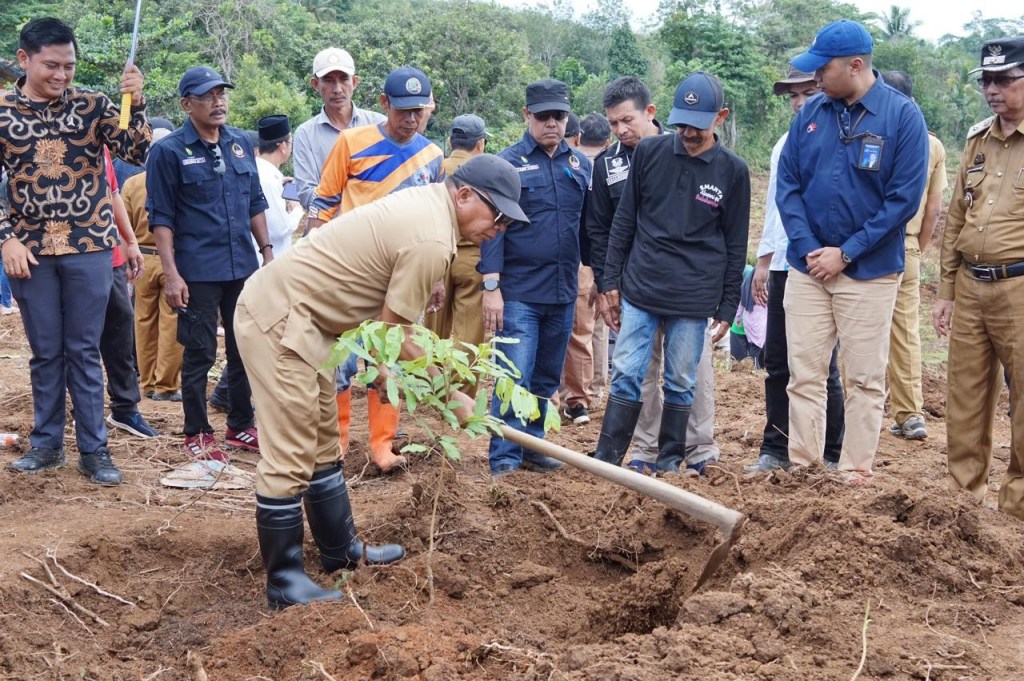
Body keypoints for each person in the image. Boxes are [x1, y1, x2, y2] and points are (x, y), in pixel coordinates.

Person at [235, 154, 522, 608]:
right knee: (291, 451)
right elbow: (394, 335)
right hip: (280, 318)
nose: (500, 227)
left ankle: (339, 553)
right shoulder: (431, 236)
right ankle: (284, 583)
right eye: (498, 214)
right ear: (464, 195)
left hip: (313, 324)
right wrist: (454, 397)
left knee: (324, 442)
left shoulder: (432, 212)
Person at [777, 20, 928, 483]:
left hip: (869, 272)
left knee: (864, 379)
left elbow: (901, 202)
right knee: (804, 375)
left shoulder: (902, 118)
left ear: (856, 65)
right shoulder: (810, 114)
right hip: (809, 271)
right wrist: (808, 250)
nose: (815, 78)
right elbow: (788, 187)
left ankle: (855, 473)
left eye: (823, 69)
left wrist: (845, 253)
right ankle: (805, 469)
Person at [2, 17, 150, 485]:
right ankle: (46, 445)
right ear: (24, 59)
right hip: (30, 250)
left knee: (84, 350)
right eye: (52, 65)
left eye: (69, 65)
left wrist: (136, 102)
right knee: (46, 352)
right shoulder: (2, 112)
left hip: (89, 244)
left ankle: (94, 450)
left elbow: (137, 151)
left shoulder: (94, 105)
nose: (62, 75)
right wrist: (5, 237)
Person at [594, 71, 749, 474]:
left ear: (720, 118)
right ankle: (611, 457)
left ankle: (668, 459)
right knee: (627, 371)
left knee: (681, 379)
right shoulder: (650, 154)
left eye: (697, 126)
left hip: (694, 295)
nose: (687, 133)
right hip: (642, 287)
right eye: (681, 124)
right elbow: (623, 222)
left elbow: (735, 243)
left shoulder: (733, 171)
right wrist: (610, 282)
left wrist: (728, 304)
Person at [306, 66, 445, 473]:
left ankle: (383, 446)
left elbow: (434, 225)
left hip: (403, 278)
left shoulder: (433, 157)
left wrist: (435, 277)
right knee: (341, 361)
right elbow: (324, 203)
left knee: (393, 360)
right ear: (384, 104)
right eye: (403, 110)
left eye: (420, 110)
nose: (411, 119)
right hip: (351, 275)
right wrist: (314, 261)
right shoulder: (352, 143)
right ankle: (337, 444)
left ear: (430, 108)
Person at [146, 66, 272, 462]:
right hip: (197, 272)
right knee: (199, 353)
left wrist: (267, 252)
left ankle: (239, 426)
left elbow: (255, 202)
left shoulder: (238, 143)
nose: (218, 102)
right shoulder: (168, 152)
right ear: (187, 104)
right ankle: (197, 432)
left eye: (222, 94)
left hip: (243, 268)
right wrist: (171, 273)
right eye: (207, 96)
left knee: (244, 350)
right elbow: (161, 218)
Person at [480, 78, 591, 476]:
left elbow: (587, 228)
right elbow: (493, 227)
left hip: (563, 292)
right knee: (514, 376)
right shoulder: (506, 164)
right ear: (527, 115)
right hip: (519, 292)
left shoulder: (580, 165)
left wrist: (594, 274)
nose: (552, 124)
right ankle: (505, 458)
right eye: (542, 116)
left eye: (559, 116)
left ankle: (533, 445)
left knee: (545, 378)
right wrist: (491, 286)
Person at [933, 36, 1024, 520]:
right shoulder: (976, 140)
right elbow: (955, 221)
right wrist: (945, 291)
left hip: (1020, 289)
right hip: (971, 286)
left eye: (1004, 79)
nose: (992, 89)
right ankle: (961, 502)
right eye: (987, 80)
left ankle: (1017, 508)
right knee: (964, 396)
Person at [744, 66, 846, 473]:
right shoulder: (785, 143)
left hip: (823, 266)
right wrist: (764, 262)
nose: (800, 102)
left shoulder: (840, 138)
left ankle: (833, 451)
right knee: (778, 360)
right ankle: (776, 448)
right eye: (793, 96)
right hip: (787, 262)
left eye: (807, 92)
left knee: (824, 366)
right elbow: (774, 209)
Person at [882, 70, 946, 441]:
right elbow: (934, 209)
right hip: (907, 247)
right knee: (906, 333)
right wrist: (916, 248)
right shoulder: (932, 144)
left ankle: (854, 413)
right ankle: (910, 415)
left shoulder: (875, 133)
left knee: (858, 331)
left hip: (869, 248)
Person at [423, 114, 490, 377]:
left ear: (451, 140)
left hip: (436, 255)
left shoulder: (434, 167)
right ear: (481, 144)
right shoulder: (486, 171)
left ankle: (427, 383)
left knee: (432, 327)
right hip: (471, 258)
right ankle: (463, 389)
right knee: (469, 331)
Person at [122, 120, 183, 404]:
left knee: (142, 321)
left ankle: (146, 383)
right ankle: (166, 386)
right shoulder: (178, 180)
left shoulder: (132, 184)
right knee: (172, 323)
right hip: (172, 260)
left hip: (141, 261)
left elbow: (123, 227)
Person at [100, 147, 159, 439]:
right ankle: (72, 412)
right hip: (68, 257)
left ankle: (124, 407)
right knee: (72, 342)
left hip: (108, 256)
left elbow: (113, 196)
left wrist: (129, 242)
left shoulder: (102, 147)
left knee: (120, 330)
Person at [559, 112, 611, 425]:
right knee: (582, 331)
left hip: (577, 260)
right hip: (572, 261)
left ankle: (573, 399)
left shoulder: (582, 167)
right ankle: (575, 395)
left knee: (576, 331)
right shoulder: (596, 167)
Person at [292, 47, 386, 212]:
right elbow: (307, 194)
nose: (337, 89)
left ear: (355, 82)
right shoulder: (305, 134)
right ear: (315, 84)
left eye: (344, 79)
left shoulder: (379, 124)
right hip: (331, 230)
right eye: (328, 80)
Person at [254, 115, 303, 254]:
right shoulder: (268, 179)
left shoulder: (259, 171)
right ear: (283, 146)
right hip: (269, 259)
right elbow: (280, 229)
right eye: (291, 143)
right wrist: (297, 209)